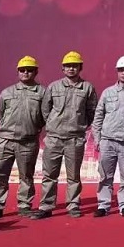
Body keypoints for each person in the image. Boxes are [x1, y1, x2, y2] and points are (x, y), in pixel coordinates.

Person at [32, 51, 98, 219]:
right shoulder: (53, 87)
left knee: (73, 175)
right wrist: (54, 125)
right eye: (68, 66)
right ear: (62, 69)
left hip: (74, 139)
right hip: (54, 138)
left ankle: (73, 205)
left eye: (74, 66)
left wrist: (79, 125)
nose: (71, 69)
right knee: (49, 175)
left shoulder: (87, 88)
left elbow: (92, 111)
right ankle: (46, 206)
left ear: (80, 68)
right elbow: (45, 110)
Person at [0, 56, 47, 220]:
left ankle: (24, 205)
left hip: (28, 141)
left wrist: (31, 128)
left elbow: (46, 116)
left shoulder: (43, 93)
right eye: (22, 70)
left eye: (29, 70)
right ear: (18, 72)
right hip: (5, 140)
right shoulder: (7, 92)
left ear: (36, 72)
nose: (25, 72)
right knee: (0, 174)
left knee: (26, 176)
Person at [91, 56, 124, 217]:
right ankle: (103, 205)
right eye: (121, 70)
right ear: (117, 72)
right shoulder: (108, 92)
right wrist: (97, 139)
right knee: (105, 176)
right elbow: (98, 116)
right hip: (108, 141)